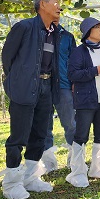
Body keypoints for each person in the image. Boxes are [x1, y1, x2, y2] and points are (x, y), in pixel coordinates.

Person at [0, 0, 61, 199]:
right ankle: (11, 182)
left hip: (46, 86)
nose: (59, 5)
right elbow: (7, 58)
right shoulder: (24, 27)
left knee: (40, 134)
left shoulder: (55, 32)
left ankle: (31, 177)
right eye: (56, 1)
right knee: (19, 136)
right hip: (25, 86)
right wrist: (16, 80)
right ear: (43, 4)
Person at [66, 17, 100, 187]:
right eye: (97, 27)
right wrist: (95, 70)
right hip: (86, 100)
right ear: (88, 31)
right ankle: (78, 172)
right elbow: (73, 75)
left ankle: (98, 168)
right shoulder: (79, 51)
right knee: (81, 135)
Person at [41, 19, 77, 173]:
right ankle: (48, 162)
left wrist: (74, 81)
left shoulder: (68, 37)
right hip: (43, 84)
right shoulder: (38, 34)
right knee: (44, 124)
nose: (56, 15)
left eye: (58, 12)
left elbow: (74, 61)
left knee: (70, 122)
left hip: (64, 85)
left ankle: (75, 158)